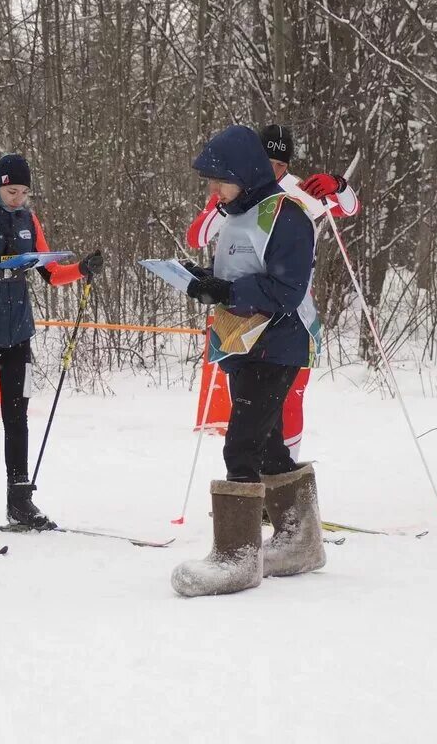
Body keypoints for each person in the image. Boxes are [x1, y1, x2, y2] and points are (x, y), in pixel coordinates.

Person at [172, 125, 326, 599]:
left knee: (240, 444)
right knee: (266, 442)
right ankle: (299, 541)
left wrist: (229, 290)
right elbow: (235, 273)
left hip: (279, 341)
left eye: (221, 180)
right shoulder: (233, 216)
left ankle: (235, 558)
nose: (214, 191)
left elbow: (286, 288)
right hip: (241, 341)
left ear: (246, 173)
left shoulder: (287, 215)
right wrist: (203, 281)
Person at [0, 153, 101, 532]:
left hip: (17, 334)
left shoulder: (29, 220)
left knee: (17, 418)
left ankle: (20, 500)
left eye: (24, 192)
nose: (17, 199)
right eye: (11, 191)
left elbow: (51, 273)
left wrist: (82, 269)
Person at [185, 123, 357, 461]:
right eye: (267, 162)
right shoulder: (235, 192)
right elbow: (197, 237)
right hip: (245, 317)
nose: (274, 171)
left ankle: (283, 470)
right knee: (253, 411)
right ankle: (274, 480)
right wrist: (220, 206)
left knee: (290, 398)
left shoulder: (300, 192)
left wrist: (339, 186)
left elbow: (349, 209)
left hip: (292, 312)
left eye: (281, 165)